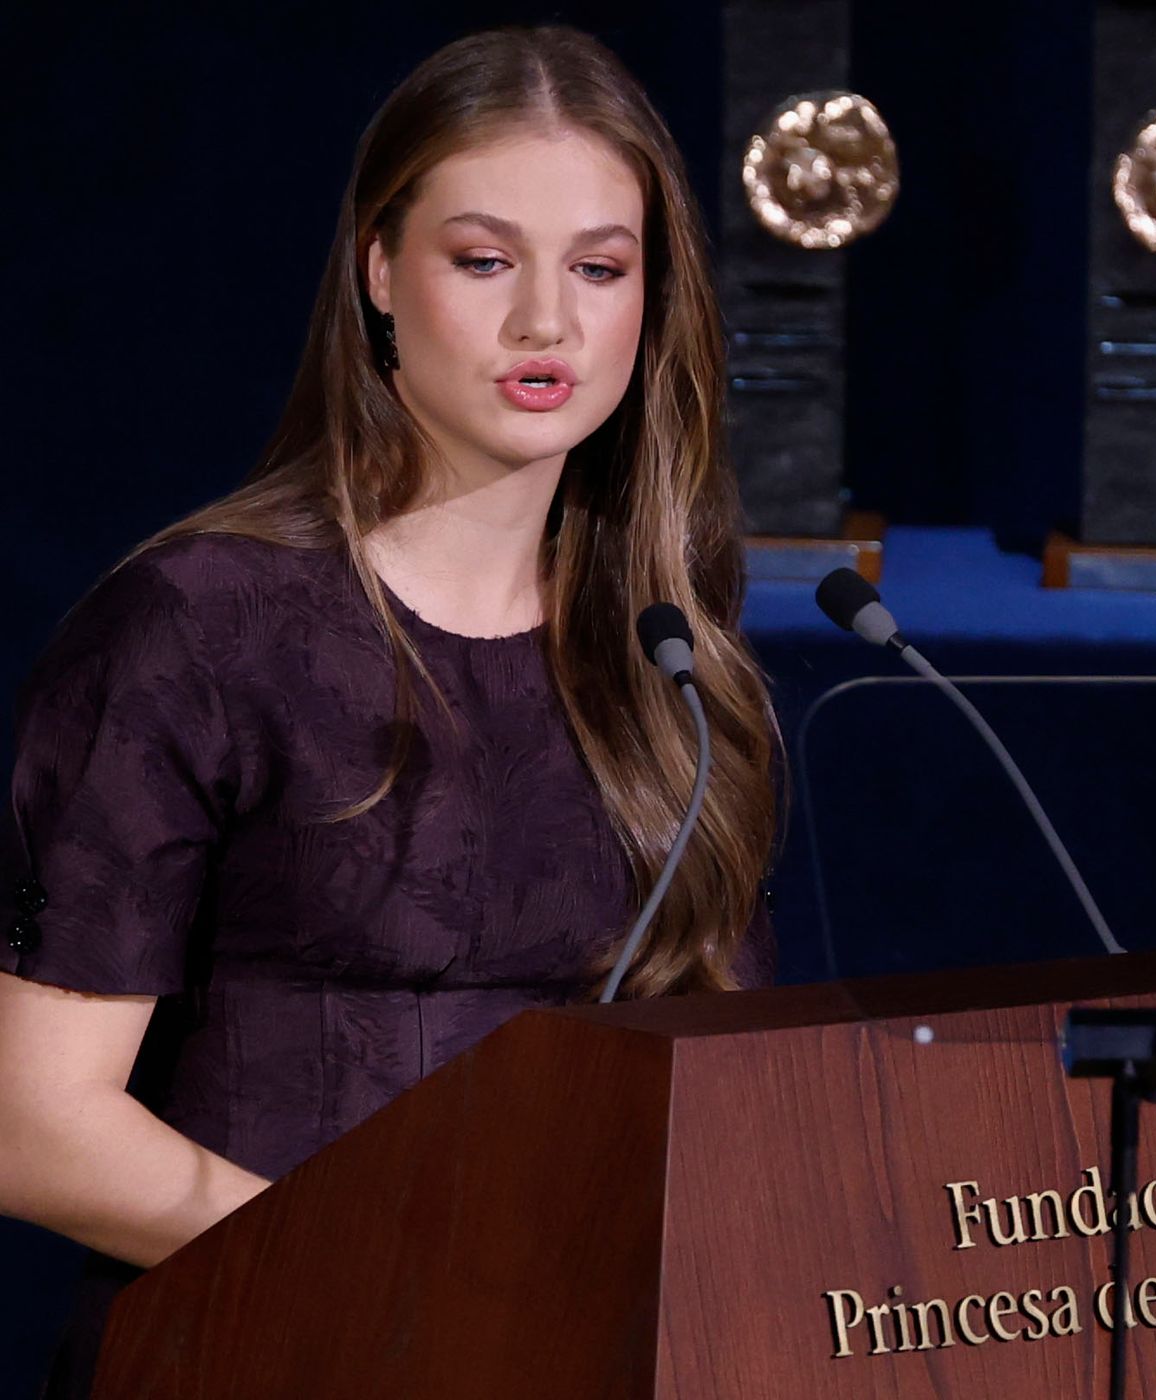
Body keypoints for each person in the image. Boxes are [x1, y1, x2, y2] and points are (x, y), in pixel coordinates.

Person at [0, 22, 779, 1397]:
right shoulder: (197, 625)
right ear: (378, 272)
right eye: (484, 261)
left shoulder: (666, 660)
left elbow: (718, 1102)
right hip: (251, 1350)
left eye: (600, 268)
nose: (548, 321)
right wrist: (397, 1277)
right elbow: (31, 1125)